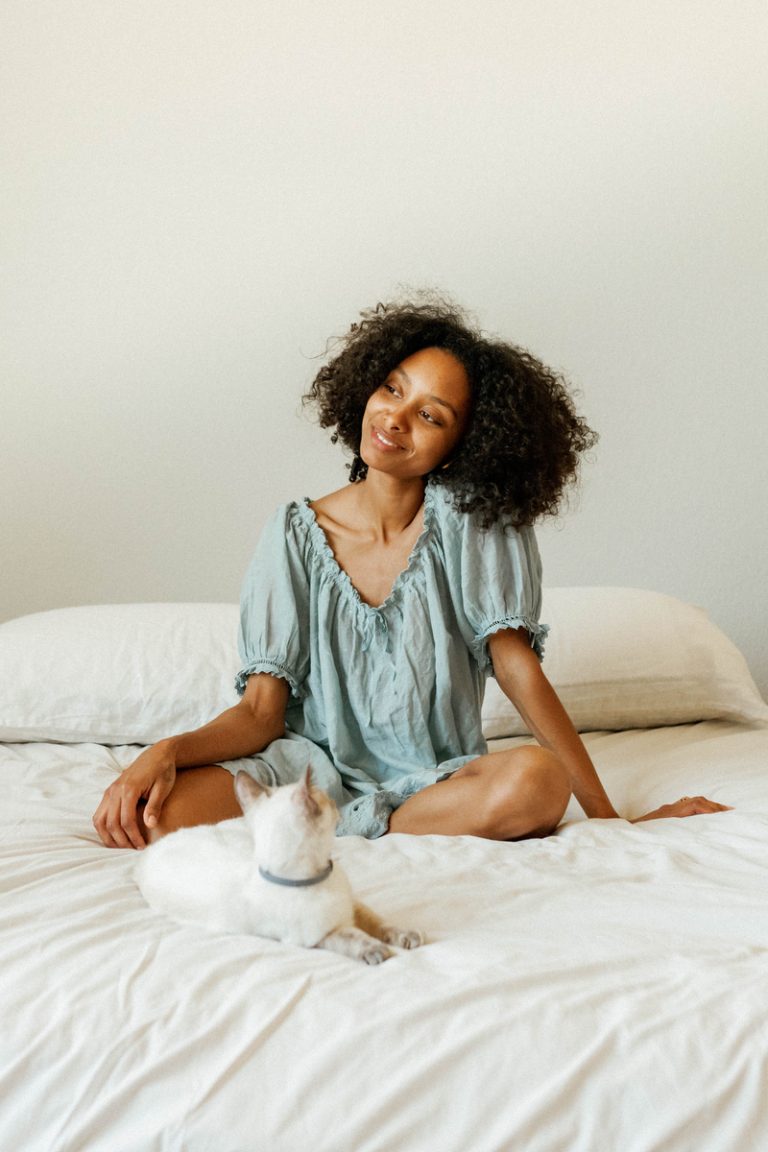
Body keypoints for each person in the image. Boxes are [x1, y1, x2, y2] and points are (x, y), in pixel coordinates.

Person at [93, 297, 729, 849]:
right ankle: (330, 819)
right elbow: (262, 712)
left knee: (536, 781)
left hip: (433, 782)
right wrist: (164, 752)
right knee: (148, 819)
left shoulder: (478, 522)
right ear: (365, 389)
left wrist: (610, 820)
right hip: (305, 774)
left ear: (466, 443)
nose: (396, 417)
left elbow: (516, 668)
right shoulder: (291, 533)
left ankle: (366, 828)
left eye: (431, 414)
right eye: (392, 389)